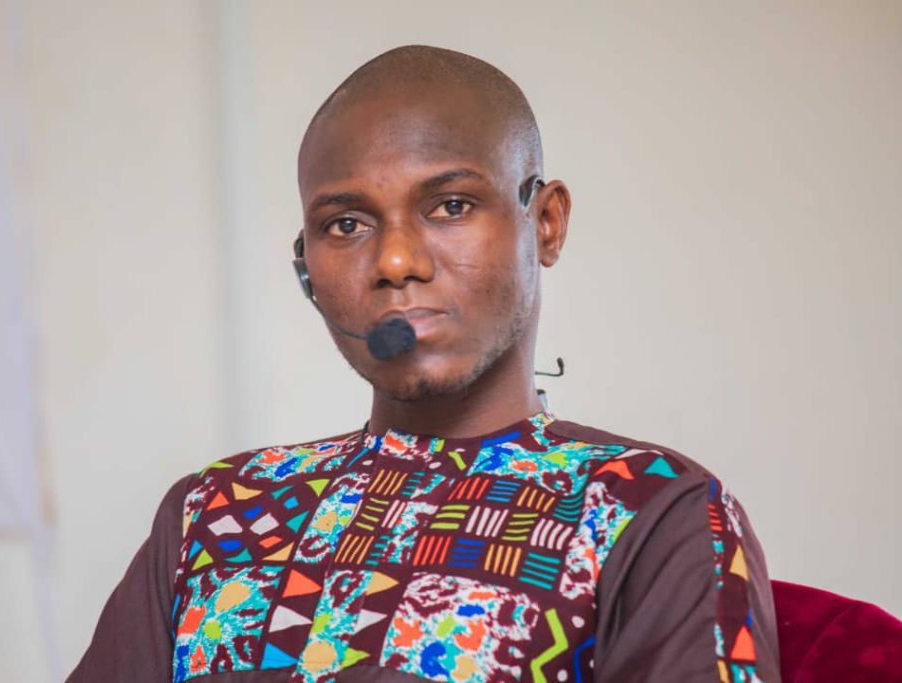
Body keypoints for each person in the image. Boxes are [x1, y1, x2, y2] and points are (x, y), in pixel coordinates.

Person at [69, 45, 780, 683]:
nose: (396, 261)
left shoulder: (646, 508)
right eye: (347, 224)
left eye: (450, 206)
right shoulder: (214, 511)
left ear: (545, 223)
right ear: (305, 266)